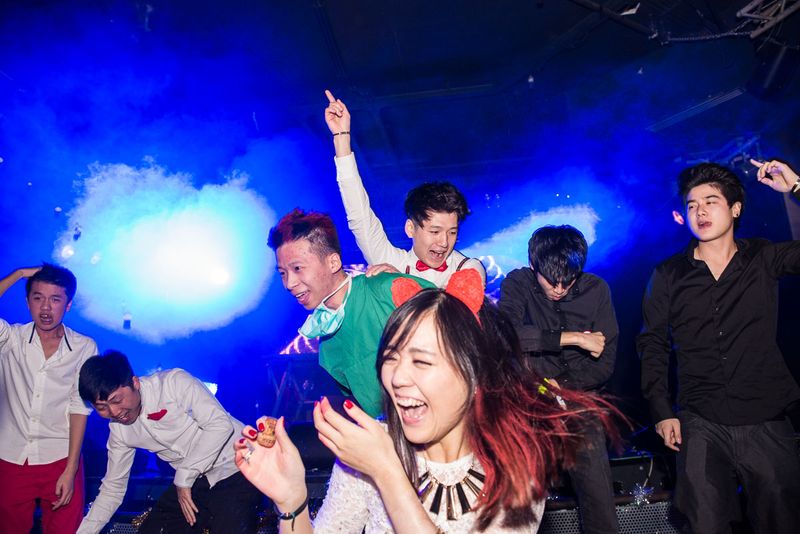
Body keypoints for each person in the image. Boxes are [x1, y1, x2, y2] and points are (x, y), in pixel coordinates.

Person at [234, 269, 621, 533]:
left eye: (421, 361)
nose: (397, 377)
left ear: (473, 372)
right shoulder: (371, 448)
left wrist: (387, 472)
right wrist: (292, 500)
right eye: (391, 358)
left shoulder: (514, 458)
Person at [637, 159, 800, 533]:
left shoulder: (763, 257)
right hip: (700, 420)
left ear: (735, 209)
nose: (700, 211)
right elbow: (652, 343)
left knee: (784, 522)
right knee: (704, 524)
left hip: (765, 415)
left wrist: (796, 187)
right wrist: (661, 410)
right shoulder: (667, 275)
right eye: (692, 205)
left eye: (711, 201)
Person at [499, 225, 619, 534]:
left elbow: (605, 363)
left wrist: (561, 385)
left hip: (579, 400)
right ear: (533, 265)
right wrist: (574, 338)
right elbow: (506, 335)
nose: (560, 288)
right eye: (551, 280)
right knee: (519, 499)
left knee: (598, 497)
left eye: (568, 280)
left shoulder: (597, 290)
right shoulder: (518, 283)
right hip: (529, 403)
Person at [268, 208, 433, 418]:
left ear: (333, 263)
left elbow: (459, 329)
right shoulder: (327, 346)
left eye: (298, 268)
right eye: (283, 273)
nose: (289, 283)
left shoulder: (385, 289)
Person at [76, 351, 261, 534]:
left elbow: (219, 425)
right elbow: (113, 489)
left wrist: (185, 475)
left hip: (237, 467)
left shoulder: (173, 383)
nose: (115, 412)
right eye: (102, 407)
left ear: (135, 383)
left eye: (117, 400)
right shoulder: (119, 430)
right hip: (193, 481)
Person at [324, 90, 486, 287]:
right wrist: (341, 137)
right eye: (435, 231)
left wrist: (402, 282)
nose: (444, 242)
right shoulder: (393, 263)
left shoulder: (468, 268)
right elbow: (359, 216)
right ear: (410, 228)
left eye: (452, 232)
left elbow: (447, 305)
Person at [0, 263, 98, 534]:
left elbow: (79, 407)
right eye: (38, 298)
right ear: (27, 302)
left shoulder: (84, 347)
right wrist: (19, 274)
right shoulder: (10, 339)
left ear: (68, 305)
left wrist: (70, 469)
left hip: (60, 457)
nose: (45, 307)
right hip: (10, 455)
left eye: (55, 299)